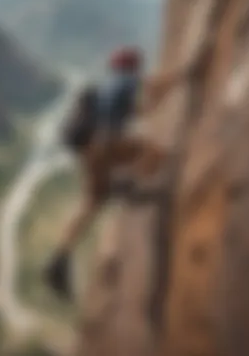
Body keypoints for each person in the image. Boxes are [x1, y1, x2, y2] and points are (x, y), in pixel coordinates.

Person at [43, 46, 174, 299]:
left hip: (89, 149)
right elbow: (146, 106)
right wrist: (178, 79)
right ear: (134, 65)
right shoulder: (128, 79)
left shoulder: (107, 85)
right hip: (107, 143)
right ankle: (130, 186)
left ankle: (59, 258)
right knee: (155, 153)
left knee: (92, 201)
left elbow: (135, 111)